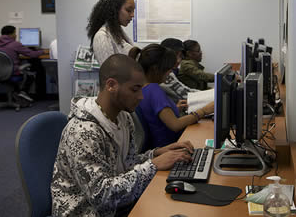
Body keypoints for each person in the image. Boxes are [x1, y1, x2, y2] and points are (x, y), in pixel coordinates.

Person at [51, 54, 193, 217]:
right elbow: (102, 196)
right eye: (135, 89)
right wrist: (153, 165)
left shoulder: (123, 117)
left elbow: (126, 163)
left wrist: (156, 154)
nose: (141, 96)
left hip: (117, 206)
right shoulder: (83, 132)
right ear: (111, 85)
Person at [129, 44, 214, 149]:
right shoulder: (154, 89)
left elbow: (156, 116)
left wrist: (175, 108)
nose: (170, 73)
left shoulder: (144, 88)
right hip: (169, 147)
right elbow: (175, 125)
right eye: (168, 69)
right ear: (155, 69)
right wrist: (204, 111)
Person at [0, 25, 48, 101]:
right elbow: (32, 54)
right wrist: (43, 51)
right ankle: (22, 91)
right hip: (12, 72)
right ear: (11, 34)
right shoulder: (15, 44)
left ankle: (17, 93)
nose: (16, 35)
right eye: (15, 33)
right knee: (32, 73)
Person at [86, 0, 136, 66]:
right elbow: (111, 73)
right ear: (115, 9)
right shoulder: (102, 37)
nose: (132, 15)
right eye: (129, 10)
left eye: (133, 11)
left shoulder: (117, 32)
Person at [160, 38, 199, 104]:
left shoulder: (170, 72)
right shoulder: (161, 75)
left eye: (180, 56)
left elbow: (185, 90)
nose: (178, 60)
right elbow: (184, 96)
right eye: (175, 55)